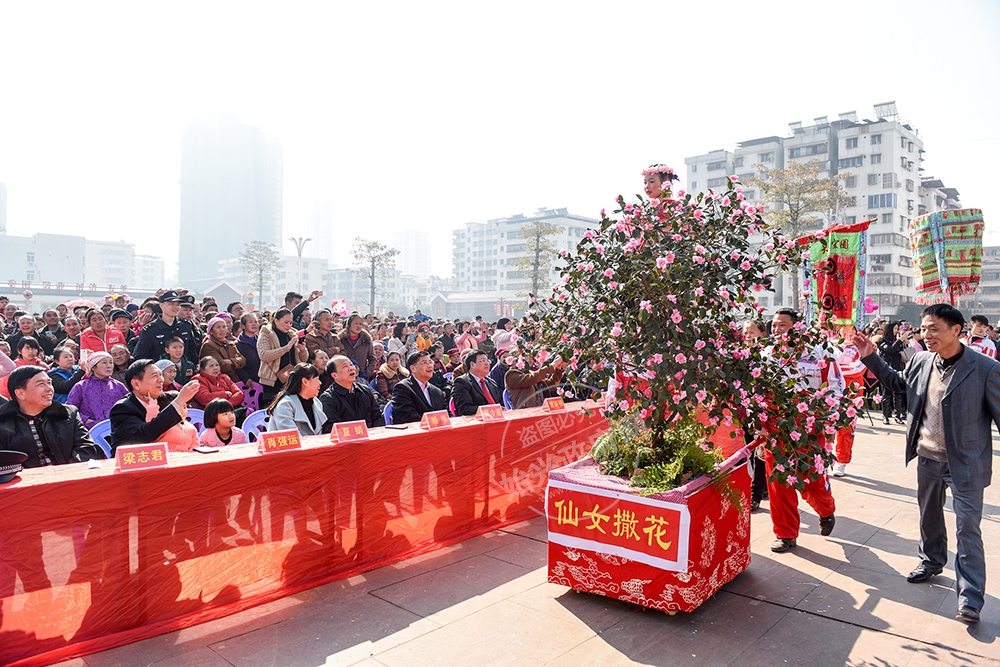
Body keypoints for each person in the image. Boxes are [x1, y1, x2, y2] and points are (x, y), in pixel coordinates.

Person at [855, 304, 998, 624]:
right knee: (929, 518)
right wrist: (870, 356)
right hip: (928, 457)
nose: (926, 334)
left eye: (934, 328)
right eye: (924, 328)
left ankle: (970, 596)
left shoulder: (986, 368)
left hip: (966, 463)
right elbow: (895, 384)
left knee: (968, 528)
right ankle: (931, 561)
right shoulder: (921, 360)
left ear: (956, 330)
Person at [765, 308, 842, 554]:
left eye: (783, 325)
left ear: (798, 328)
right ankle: (786, 534)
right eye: (774, 325)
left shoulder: (820, 353)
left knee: (811, 480)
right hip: (776, 427)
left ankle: (826, 510)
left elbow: (835, 387)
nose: (776, 330)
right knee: (779, 483)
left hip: (810, 426)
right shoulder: (766, 355)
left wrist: (828, 420)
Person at [0, 366, 104, 467]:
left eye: (49, 383)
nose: (49, 389)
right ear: (20, 394)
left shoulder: (67, 414)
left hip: (68, 478)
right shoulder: (3, 423)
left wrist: (65, 473)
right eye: (41, 384)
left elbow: (86, 449)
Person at [108, 359, 200, 452]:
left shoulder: (163, 399)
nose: (161, 380)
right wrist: (179, 401)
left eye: (160, 375)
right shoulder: (122, 408)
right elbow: (146, 434)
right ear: (136, 384)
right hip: (134, 461)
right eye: (155, 376)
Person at [257, 308, 309, 408]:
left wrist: (303, 350)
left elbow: (303, 359)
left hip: (291, 380)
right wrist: (286, 348)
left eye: (290, 322)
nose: (289, 325)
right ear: (276, 321)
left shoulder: (292, 334)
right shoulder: (266, 333)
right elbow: (263, 355)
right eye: (286, 322)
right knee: (274, 412)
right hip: (273, 381)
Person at [132, 290, 200, 365]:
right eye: (171, 304)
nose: (176, 307)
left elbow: (192, 351)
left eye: (177, 304)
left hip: (183, 373)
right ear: (161, 305)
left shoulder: (186, 325)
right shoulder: (150, 330)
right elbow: (141, 356)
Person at [320, 355, 385, 431]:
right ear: (334, 375)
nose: (351, 368)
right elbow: (332, 428)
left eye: (351, 365)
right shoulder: (328, 398)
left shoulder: (365, 390)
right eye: (345, 366)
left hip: (371, 438)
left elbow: (378, 417)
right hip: (347, 440)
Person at [66, 351, 130, 429]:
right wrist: (85, 420)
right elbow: (70, 409)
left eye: (111, 363)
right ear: (93, 367)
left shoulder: (119, 386)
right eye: (104, 363)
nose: (109, 366)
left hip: (117, 429)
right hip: (89, 430)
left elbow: (130, 406)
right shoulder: (80, 386)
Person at [266, 363, 326, 436]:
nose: (320, 383)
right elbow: (292, 437)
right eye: (317, 379)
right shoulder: (285, 405)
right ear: (305, 381)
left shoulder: (316, 402)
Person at [390, 351, 446, 424]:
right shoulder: (403, 388)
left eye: (430, 362)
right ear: (413, 368)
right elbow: (408, 417)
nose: (430, 366)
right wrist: (432, 423)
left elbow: (446, 415)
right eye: (424, 363)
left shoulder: (437, 391)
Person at [451, 350, 502, 415]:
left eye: (487, 361)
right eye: (483, 361)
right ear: (472, 364)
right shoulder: (462, 382)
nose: (487, 363)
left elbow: (499, 403)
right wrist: (488, 409)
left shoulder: (491, 382)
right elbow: (464, 409)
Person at [877, 321, 909, 425]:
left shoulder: (897, 341)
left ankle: (898, 415)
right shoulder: (882, 341)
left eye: (897, 329)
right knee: (887, 394)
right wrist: (900, 340)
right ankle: (886, 416)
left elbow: (901, 352)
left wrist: (904, 342)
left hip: (899, 370)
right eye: (895, 329)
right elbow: (890, 350)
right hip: (886, 371)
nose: (897, 331)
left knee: (899, 393)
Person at [199, 316, 247, 383]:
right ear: (211, 331)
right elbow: (221, 366)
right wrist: (236, 362)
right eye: (218, 327)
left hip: (234, 380)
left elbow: (243, 361)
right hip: (218, 382)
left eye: (224, 327)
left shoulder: (230, 343)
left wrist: (230, 361)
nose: (222, 329)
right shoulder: (208, 345)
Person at [338, 314, 378, 379]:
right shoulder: (341, 339)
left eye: (360, 324)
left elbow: (373, 359)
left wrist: (367, 373)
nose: (358, 326)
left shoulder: (366, 340)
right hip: (343, 376)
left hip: (361, 376)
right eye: (355, 323)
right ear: (349, 325)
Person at [235, 312, 262, 384]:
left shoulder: (262, 341)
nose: (254, 324)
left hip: (264, 380)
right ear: (243, 326)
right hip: (250, 382)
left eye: (256, 322)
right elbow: (238, 365)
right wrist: (246, 378)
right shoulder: (237, 344)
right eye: (250, 322)